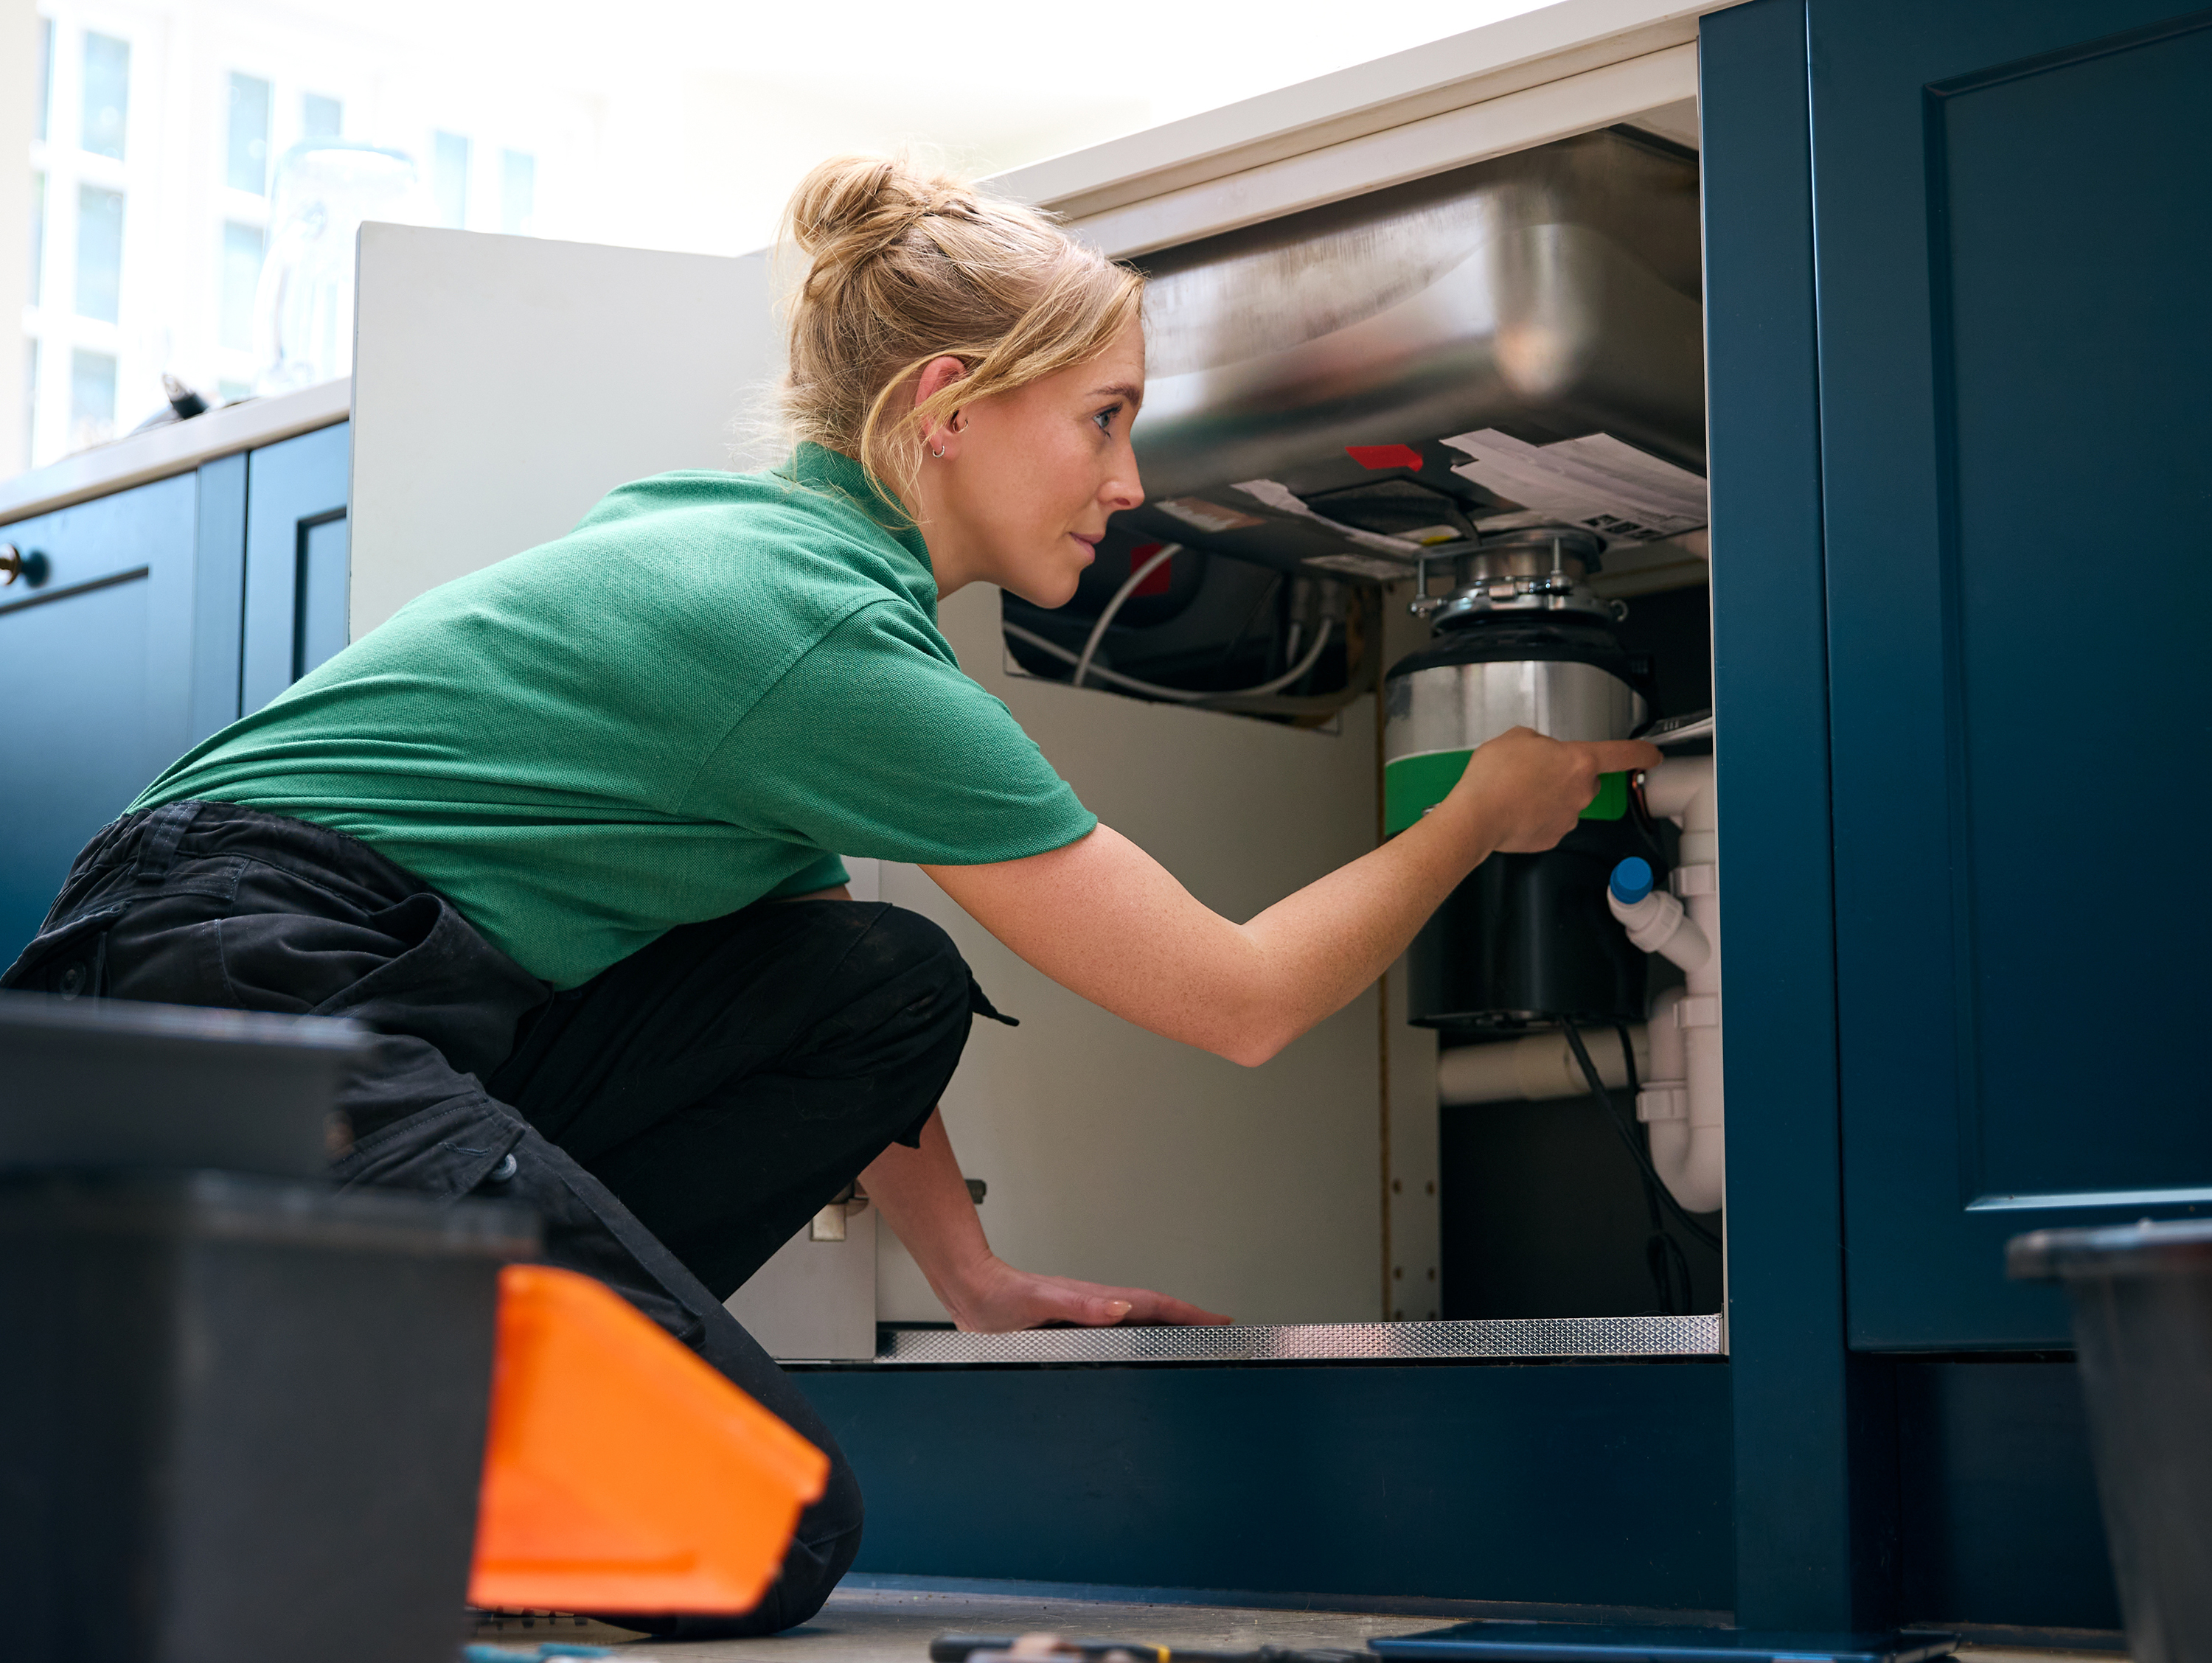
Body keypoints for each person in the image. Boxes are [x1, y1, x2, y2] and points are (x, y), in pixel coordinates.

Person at [0, 154, 1659, 1633]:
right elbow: (1238, 1002)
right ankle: (345, 1479)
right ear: (949, 405)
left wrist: (973, 1275)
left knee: (887, 975)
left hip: (337, 1001)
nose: (1131, 481)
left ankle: (432, 1457)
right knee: (763, 1534)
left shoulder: (767, 560)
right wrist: (1477, 814)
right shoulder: (820, 637)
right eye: (1102, 417)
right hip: (229, 1010)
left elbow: (813, 980)